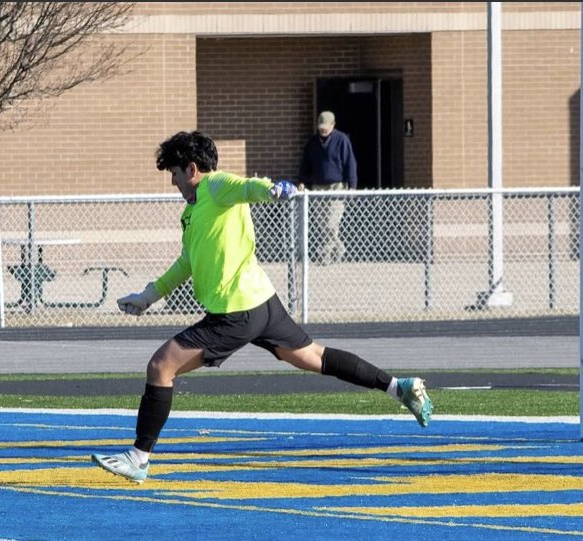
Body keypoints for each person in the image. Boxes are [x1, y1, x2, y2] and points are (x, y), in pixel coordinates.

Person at [90, 130, 432, 484]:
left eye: (174, 174)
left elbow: (247, 187)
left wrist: (272, 190)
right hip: (262, 304)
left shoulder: (214, 186)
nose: (173, 182)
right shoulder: (193, 214)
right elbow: (187, 262)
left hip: (236, 313)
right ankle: (399, 387)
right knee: (314, 356)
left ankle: (139, 458)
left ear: (192, 169)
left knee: (161, 367)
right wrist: (148, 296)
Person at [297, 110, 357, 264]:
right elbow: (305, 164)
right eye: (320, 127)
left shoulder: (342, 140)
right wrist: (302, 181)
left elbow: (350, 163)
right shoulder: (312, 143)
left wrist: (352, 186)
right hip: (318, 186)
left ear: (333, 125)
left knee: (332, 221)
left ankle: (325, 254)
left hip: (337, 186)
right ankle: (339, 247)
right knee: (321, 223)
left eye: (326, 127)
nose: (323, 130)